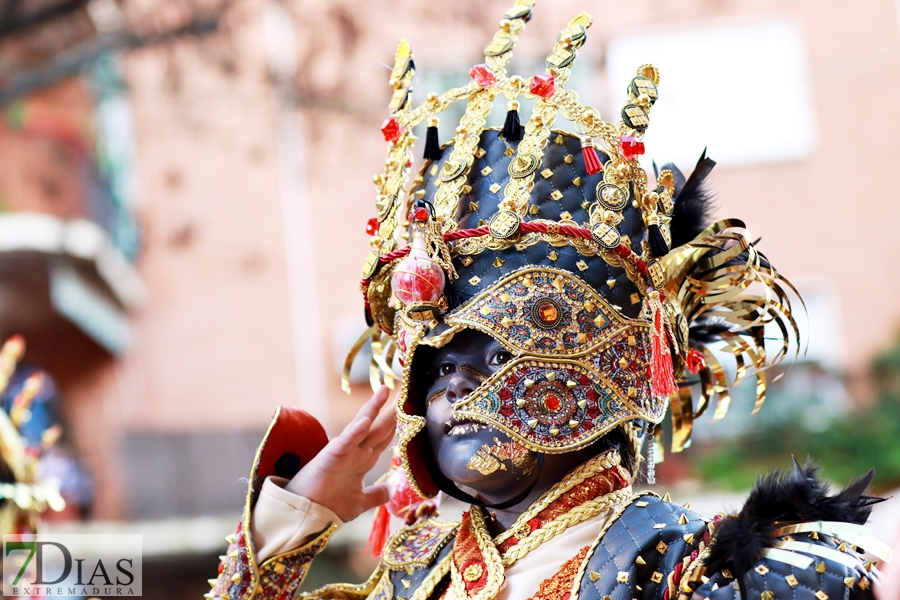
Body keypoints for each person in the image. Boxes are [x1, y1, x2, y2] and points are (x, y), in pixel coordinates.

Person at [207, 2, 889, 598]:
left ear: (623, 363)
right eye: (440, 366)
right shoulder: (416, 576)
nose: (456, 387)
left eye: (501, 347)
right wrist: (291, 525)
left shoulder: (691, 572)